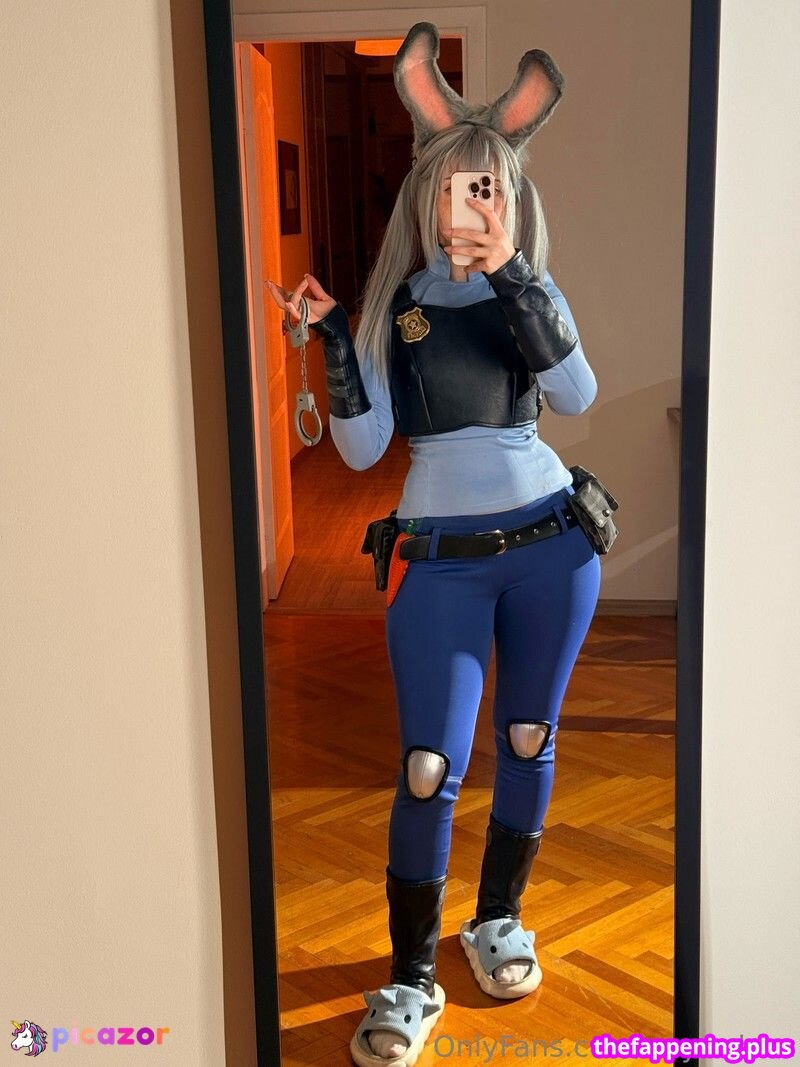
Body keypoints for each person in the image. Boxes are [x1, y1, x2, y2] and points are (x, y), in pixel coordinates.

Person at [267, 21, 601, 1067]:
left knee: (528, 738)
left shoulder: (528, 290)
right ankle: (411, 972)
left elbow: (575, 395)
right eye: (454, 186)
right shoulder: (396, 306)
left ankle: (497, 916)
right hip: (439, 563)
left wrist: (514, 277)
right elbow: (363, 448)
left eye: (487, 186)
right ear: (424, 193)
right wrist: (332, 340)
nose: (468, 204)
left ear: (511, 195)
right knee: (426, 766)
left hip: (552, 544)